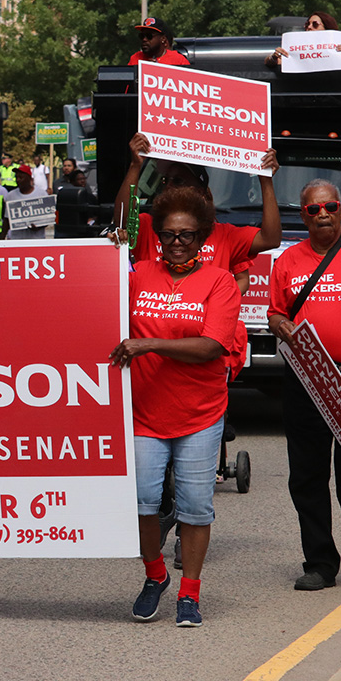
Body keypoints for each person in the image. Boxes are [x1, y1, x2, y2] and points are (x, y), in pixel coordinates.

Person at [110, 185, 241, 627]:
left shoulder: (220, 281)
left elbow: (211, 346)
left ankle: (190, 592)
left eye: (187, 234)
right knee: (142, 503)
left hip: (199, 414)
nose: (177, 242)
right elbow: (97, 291)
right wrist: (108, 252)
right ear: (158, 236)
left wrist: (148, 345)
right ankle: (155, 576)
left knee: (195, 507)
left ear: (202, 236)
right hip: (144, 413)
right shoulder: (138, 274)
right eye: (168, 234)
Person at [268, 180, 341, 591]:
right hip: (308, 377)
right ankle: (320, 563)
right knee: (308, 473)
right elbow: (275, 313)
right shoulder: (288, 261)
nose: (323, 214)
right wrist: (281, 325)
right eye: (314, 210)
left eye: (329, 207)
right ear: (303, 216)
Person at [114, 134, 281, 294]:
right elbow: (121, 220)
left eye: (178, 180)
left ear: (200, 191)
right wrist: (135, 165)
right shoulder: (148, 225)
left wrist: (265, 180)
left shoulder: (225, 235)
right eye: (166, 180)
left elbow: (270, 239)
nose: (169, 186)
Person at [266, 11, 341, 68]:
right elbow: (271, 62)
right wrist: (273, 57)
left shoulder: (339, 47)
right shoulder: (296, 47)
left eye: (315, 24)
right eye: (307, 24)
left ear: (327, 27)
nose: (309, 27)